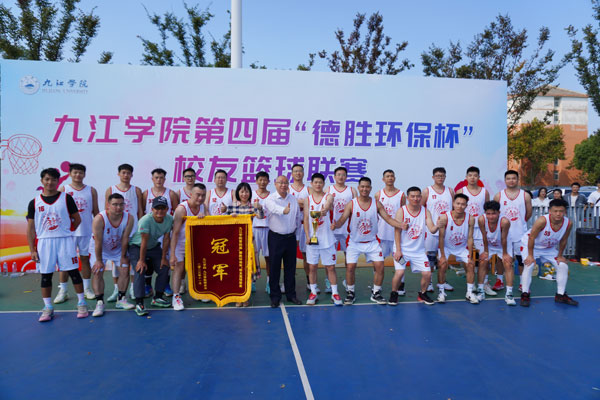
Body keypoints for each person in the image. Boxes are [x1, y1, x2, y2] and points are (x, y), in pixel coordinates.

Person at [26, 168, 88, 322]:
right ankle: (48, 307)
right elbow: (31, 228)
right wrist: (32, 250)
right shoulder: (34, 202)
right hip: (44, 242)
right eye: (47, 179)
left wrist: (68, 231)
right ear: (42, 181)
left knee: (74, 272)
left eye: (54, 179)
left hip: (65, 240)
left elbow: (77, 219)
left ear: (58, 181)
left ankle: (82, 303)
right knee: (46, 275)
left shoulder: (66, 198)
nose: (50, 182)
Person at [333, 177, 404, 305]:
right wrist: (335, 225)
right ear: (359, 188)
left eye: (367, 187)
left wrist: (400, 225)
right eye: (362, 186)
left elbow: (388, 219)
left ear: (370, 188)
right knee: (350, 267)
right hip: (354, 242)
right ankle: (350, 292)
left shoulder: (376, 204)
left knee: (380, 267)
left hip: (372, 242)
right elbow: (342, 219)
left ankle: (376, 293)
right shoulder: (352, 204)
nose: (364, 189)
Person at [520, 199, 577, 307]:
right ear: (550, 211)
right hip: (531, 245)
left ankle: (560, 295)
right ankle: (525, 294)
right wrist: (530, 256)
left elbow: (564, 239)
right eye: (555, 211)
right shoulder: (542, 221)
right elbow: (531, 238)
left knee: (563, 265)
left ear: (565, 212)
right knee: (529, 264)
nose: (558, 214)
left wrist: (560, 256)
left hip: (549, 248)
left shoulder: (568, 223)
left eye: (561, 211)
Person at [55, 163, 99, 303]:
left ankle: (87, 289)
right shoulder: (64, 189)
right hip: (69, 233)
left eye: (80, 172)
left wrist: (98, 230)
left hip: (86, 232)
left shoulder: (91, 190)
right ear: (70, 174)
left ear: (84, 174)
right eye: (75, 172)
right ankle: (63, 290)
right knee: (65, 262)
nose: (78, 175)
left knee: (85, 260)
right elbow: (58, 212)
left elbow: (96, 211)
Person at [391, 186, 440, 306]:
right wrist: (398, 250)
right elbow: (397, 231)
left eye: (418, 196)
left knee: (427, 274)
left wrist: (438, 225)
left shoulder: (425, 211)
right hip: (402, 251)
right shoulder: (402, 211)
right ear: (407, 198)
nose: (415, 198)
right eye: (412, 196)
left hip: (418, 252)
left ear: (421, 197)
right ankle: (394, 293)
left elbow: (432, 229)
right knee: (400, 272)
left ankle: (422, 293)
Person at [89, 193, 135, 316]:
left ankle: (121, 299)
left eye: (121, 204)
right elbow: (98, 242)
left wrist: (123, 256)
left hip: (118, 248)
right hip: (100, 249)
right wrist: (99, 260)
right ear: (108, 205)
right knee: (97, 272)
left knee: (124, 270)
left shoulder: (129, 218)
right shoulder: (99, 219)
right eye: (115, 204)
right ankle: (99, 302)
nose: (118, 207)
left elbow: (125, 238)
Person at [222, 182, 265, 307]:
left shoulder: (252, 207)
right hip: (234, 242)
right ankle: (238, 296)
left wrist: (260, 208)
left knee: (247, 269)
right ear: (238, 193)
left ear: (249, 193)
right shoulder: (232, 207)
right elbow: (223, 221)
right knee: (236, 269)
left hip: (248, 242)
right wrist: (228, 214)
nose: (244, 194)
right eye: (242, 191)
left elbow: (260, 216)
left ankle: (245, 296)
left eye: (246, 191)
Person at [105, 163, 144, 301]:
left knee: (133, 260)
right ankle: (117, 289)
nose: (126, 175)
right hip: (116, 232)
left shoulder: (136, 190)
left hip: (133, 231)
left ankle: (133, 288)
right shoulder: (111, 190)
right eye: (123, 172)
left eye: (128, 173)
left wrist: (140, 229)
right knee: (117, 262)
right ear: (119, 174)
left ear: (132, 175)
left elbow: (140, 211)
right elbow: (107, 212)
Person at [129, 196, 173, 316]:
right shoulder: (145, 220)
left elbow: (166, 239)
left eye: (163, 208)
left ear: (167, 209)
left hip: (153, 246)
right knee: (140, 269)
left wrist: (164, 258)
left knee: (164, 267)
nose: (160, 211)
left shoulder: (169, 219)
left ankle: (158, 297)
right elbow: (144, 241)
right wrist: (141, 260)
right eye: (157, 208)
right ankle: (139, 303)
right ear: (152, 209)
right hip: (137, 246)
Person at [456, 166, 494, 296]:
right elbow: (456, 210)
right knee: (466, 259)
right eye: (470, 175)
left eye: (475, 175)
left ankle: (484, 284)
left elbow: (488, 211)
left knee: (484, 258)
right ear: (466, 177)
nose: (472, 177)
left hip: (480, 229)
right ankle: (471, 283)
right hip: (464, 229)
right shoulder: (461, 191)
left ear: (479, 177)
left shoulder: (484, 192)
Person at [264, 176, 302, 307]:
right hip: (276, 238)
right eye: (280, 182)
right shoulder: (270, 199)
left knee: (290, 267)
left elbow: (297, 218)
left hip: (290, 237)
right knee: (274, 267)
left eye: (286, 183)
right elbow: (274, 209)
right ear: (275, 184)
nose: (283, 185)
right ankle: (275, 297)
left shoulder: (293, 199)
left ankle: (291, 295)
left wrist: (297, 237)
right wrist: (283, 210)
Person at [492, 170, 532, 291]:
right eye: (508, 178)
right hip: (504, 234)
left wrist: (519, 222)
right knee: (501, 258)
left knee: (521, 260)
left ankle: (522, 283)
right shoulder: (498, 196)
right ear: (505, 180)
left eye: (514, 178)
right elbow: (494, 213)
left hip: (520, 234)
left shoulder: (525, 195)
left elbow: (529, 213)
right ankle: (499, 281)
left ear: (518, 180)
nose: (511, 181)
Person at [169, 183, 207, 311]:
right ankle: (176, 297)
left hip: (196, 243)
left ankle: (198, 292)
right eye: (198, 195)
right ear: (191, 194)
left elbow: (209, 225)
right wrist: (172, 254)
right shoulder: (182, 209)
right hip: (180, 243)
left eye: (203, 195)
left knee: (198, 268)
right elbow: (175, 233)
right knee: (179, 268)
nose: (200, 198)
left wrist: (204, 220)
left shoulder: (203, 207)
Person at [142, 168, 178, 297]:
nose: (159, 180)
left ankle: (166, 285)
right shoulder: (146, 193)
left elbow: (177, 212)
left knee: (165, 258)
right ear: (152, 179)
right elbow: (142, 212)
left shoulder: (171, 194)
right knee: (149, 259)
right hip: (150, 231)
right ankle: (147, 285)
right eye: (156, 177)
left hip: (165, 231)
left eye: (161, 177)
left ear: (164, 179)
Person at [302, 173, 337, 305]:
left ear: (323, 184)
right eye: (315, 182)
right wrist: (307, 236)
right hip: (313, 239)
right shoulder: (307, 199)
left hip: (327, 239)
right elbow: (306, 218)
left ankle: (335, 293)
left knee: (330, 267)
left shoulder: (328, 196)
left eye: (320, 182)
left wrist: (324, 210)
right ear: (311, 184)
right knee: (312, 267)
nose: (318, 184)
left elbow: (328, 204)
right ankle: (313, 292)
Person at [437, 194, 477, 304]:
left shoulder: (470, 218)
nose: (460, 206)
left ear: (466, 205)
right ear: (453, 204)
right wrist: (443, 256)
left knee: (471, 264)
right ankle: (441, 292)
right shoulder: (445, 217)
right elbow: (441, 237)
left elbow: (470, 238)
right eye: (458, 203)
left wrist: (470, 256)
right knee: (442, 264)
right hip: (446, 247)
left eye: (463, 204)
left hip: (461, 247)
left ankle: (469, 292)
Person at [421, 167, 455, 293]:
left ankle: (442, 281)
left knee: (443, 258)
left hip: (447, 230)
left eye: (442, 175)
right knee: (430, 257)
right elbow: (421, 209)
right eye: (437, 175)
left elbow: (454, 209)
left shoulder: (450, 191)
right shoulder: (427, 191)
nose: (440, 178)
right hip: (431, 230)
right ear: (433, 177)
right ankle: (429, 281)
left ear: (445, 177)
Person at [477, 201, 515, 305]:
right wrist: (486, 251)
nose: (491, 216)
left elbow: (504, 239)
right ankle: (480, 291)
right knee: (483, 261)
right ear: (485, 213)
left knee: (508, 264)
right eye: (488, 213)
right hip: (488, 243)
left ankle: (509, 294)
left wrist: (505, 254)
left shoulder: (505, 222)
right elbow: (484, 236)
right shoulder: (481, 220)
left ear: (499, 212)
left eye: (493, 213)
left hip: (503, 244)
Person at [375, 169, 406, 294]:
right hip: (381, 234)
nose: (390, 178)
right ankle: (377, 284)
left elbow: (404, 212)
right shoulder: (378, 194)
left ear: (395, 178)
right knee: (378, 262)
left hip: (396, 235)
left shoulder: (401, 194)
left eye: (392, 176)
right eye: (387, 176)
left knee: (400, 260)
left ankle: (401, 284)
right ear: (383, 179)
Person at [327, 167, 358, 280]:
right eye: (338, 174)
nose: (341, 177)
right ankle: (329, 281)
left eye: (343, 175)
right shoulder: (328, 190)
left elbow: (356, 208)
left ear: (346, 177)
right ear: (334, 177)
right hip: (332, 229)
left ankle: (348, 281)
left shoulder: (352, 191)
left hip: (347, 229)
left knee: (349, 257)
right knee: (329, 257)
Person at [289, 163, 312, 294]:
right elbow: (287, 203)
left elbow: (311, 204)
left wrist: (297, 202)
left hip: (304, 225)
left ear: (303, 173)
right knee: (289, 255)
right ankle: (288, 282)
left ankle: (309, 281)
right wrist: (303, 202)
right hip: (290, 225)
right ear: (292, 174)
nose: (298, 173)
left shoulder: (308, 189)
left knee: (306, 255)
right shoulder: (287, 188)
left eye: (300, 171)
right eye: (295, 171)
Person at [253, 171, 271, 293]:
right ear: (256, 181)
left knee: (268, 257)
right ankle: (252, 282)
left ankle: (269, 282)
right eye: (260, 180)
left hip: (268, 229)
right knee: (253, 257)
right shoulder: (251, 195)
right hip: (254, 229)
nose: (262, 182)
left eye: (265, 180)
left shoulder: (272, 196)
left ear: (268, 181)